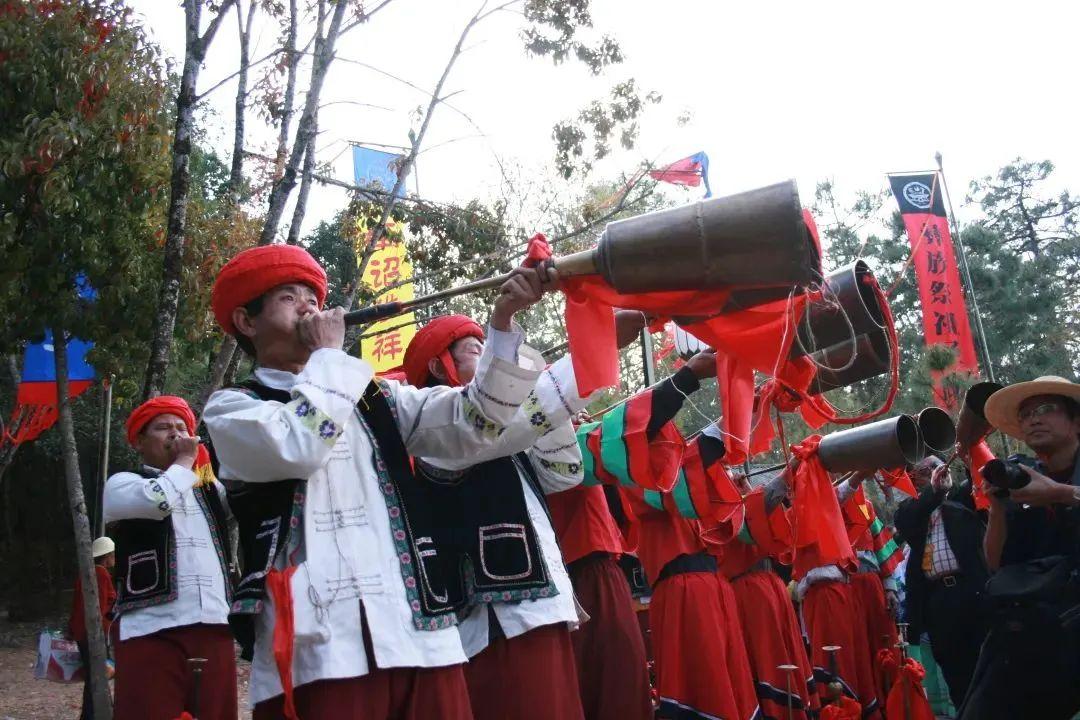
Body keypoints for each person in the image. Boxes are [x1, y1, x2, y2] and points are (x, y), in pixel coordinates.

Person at [203, 244, 568, 719]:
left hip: (419, 632)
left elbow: (475, 422)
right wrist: (330, 357)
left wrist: (500, 323)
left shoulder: (380, 396)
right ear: (247, 323)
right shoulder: (232, 410)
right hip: (323, 647)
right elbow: (300, 444)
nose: (310, 307)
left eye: (313, 297)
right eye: (289, 298)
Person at [400, 313, 592, 720]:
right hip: (502, 621)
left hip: (541, 609)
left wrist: (547, 410)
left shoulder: (505, 437)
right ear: (440, 367)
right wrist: (594, 349)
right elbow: (523, 419)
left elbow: (563, 474)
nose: (492, 360)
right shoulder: (440, 436)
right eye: (477, 351)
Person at [584, 350, 760, 720]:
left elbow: (700, 481)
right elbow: (680, 472)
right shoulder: (634, 474)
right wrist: (688, 378)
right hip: (683, 590)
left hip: (711, 587)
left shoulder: (675, 467)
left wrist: (752, 406)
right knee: (707, 691)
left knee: (732, 690)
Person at [527, 311, 653, 720]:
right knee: (613, 682)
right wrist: (681, 384)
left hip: (599, 565)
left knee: (619, 678)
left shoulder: (572, 437)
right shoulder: (548, 444)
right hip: (586, 569)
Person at [104, 396, 237, 720]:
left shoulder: (211, 491)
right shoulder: (123, 485)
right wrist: (186, 461)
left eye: (182, 428)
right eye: (163, 428)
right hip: (150, 629)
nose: (175, 435)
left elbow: (250, 505)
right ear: (139, 442)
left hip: (215, 626)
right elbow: (157, 501)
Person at [959, 376, 1080, 720]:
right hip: (1042, 623)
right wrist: (997, 509)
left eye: (1046, 409)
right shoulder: (1025, 476)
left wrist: (1058, 493)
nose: (1034, 419)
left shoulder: (1049, 484)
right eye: (1026, 414)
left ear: (1077, 421)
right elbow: (996, 562)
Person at [722, 468, 819, 720]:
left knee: (786, 654)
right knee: (769, 659)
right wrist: (791, 470)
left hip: (770, 587)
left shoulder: (744, 498)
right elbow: (757, 509)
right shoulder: (721, 505)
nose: (737, 478)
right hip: (749, 593)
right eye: (727, 472)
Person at [893, 456, 988, 708]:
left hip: (974, 592)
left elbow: (979, 483)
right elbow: (909, 518)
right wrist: (934, 493)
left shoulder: (962, 498)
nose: (935, 472)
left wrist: (969, 456)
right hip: (939, 602)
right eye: (925, 471)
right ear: (914, 479)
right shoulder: (909, 510)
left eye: (937, 466)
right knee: (956, 674)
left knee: (989, 667)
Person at [795, 470, 880, 718]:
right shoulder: (800, 512)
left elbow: (837, 496)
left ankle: (854, 708)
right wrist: (856, 476)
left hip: (841, 590)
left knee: (853, 656)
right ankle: (838, 711)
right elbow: (836, 496)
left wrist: (859, 472)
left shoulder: (822, 507)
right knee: (836, 660)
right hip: (824, 596)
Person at [68, 536, 117, 720]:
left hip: (82, 633)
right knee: (98, 676)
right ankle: (92, 715)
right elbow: (102, 606)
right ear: (107, 556)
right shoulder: (101, 574)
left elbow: (76, 606)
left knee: (93, 676)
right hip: (94, 634)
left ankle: (90, 714)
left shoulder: (85, 574)